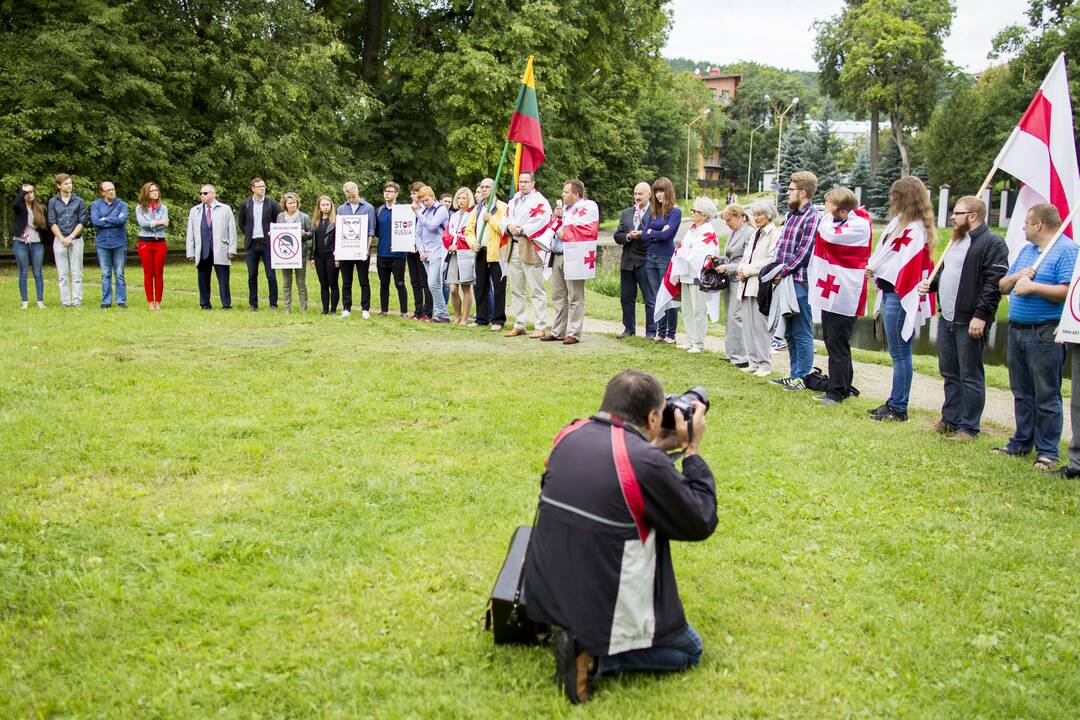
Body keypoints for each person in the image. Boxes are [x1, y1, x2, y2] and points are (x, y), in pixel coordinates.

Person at [523, 369, 716, 705]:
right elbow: (700, 519)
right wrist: (692, 451)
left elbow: (619, 468)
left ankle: (565, 631)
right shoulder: (645, 461)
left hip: (544, 592)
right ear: (654, 417)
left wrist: (655, 448)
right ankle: (596, 658)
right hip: (603, 604)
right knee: (689, 650)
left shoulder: (570, 432)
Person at [917, 196, 1009, 439]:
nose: (952, 217)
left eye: (957, 213)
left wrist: (981, 315)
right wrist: (932, 284)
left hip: (970, 320)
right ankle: (950, 418)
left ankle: (969, 427)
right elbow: (949, 272)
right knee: (950, 372)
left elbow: (993, 285)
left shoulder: (992, 243)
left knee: (970, 375)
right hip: (947, 317)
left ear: (973, 216)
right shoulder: (956, 241)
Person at [996, 204, 1076, 471]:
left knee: (1046, 394)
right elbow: (1003, 285)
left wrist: (1034, 287)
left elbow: (1068, 291)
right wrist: (1018, 276)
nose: (1023, 227)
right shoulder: (1027, 251)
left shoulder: (1066, 250)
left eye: (1027, 223)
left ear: (1039, 224)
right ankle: (1021, 441)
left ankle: (1048, 451)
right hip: (1017, 331)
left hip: (1044, 333)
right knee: (1021, 391)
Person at [865, 176, 937, 422]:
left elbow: (906, 265)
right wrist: (874, 267)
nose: (891, 199)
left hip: (899, 295)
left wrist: (878, 269)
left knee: (900, 353)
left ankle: (899, 407)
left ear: (904, 198)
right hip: (889, 293)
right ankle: (894, 401)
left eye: (895, 195)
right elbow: (888, 254)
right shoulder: (899, 223)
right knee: (897, 352)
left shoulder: (914, 229)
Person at [807, 187, 873, 405]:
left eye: (830, 206)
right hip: (834, 291)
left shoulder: (859, 225)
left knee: (838, 344)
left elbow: (831, 236)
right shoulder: (844, 221)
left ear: (843, 211)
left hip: (846, 293)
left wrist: (824, 217)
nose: (825, 210)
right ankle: (844, 387)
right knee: (834, 341)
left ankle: (836, 392)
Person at [770, 171, 821, 389]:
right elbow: (782, 247)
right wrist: (774, 270)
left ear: (802, 192)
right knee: (789, 331)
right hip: (784, 281)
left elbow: (804, 251)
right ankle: (793, 374)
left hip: (800, 281)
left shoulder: (812, 217)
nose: (787, 193)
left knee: (802, 331)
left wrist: (784, 271)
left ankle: (803, 377)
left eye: (790, 190)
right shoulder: (791, 215)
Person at [545, 179, 598, 345]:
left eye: (566, 192)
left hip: (575, 256)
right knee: (558, 295)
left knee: (575, 296)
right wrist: (556, 217)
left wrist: (565, 232)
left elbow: (587, 229)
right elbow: (552, 227)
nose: (562, 194)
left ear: (576, 194)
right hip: (558, 255)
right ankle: (558, 330)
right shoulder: (564, 210)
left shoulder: (588, 207)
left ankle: (574, 333)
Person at [500, 171, 551, 337]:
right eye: (520, 182)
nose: (522, 184)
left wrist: (522, 228)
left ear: (533, 183)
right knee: (516, 288)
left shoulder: (540, 201)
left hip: (530, 245)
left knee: (536, 288)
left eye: (526, 182)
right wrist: (509, 227)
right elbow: (505, 218)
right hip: (513, 245)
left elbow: (542, 220)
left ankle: (540, 325)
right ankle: (519, 323)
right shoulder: (514, 200)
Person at [735, 201, 781, 376]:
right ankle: (753, 360)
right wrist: (740, 269)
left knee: (760, 326)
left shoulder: (774, 234)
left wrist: (746, 270)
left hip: (760, 286)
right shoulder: (755, 234)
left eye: (760, 214)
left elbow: (770, 260)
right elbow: (747, 257)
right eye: (754, 214)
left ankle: (765, 364)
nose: (756, 217)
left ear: (769, 215)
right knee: (748, 325)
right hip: (746, 284)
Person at [673, 197, 721, 353]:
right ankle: (690, 339)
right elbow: (682, 247)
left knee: (698, 310)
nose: (692, 213)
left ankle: (698, 343)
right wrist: (682, 253)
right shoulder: (692, 230)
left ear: (705, 215)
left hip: (698, 276)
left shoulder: (708, 231)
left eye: (695, 211)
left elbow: (701, 253)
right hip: (685, 273)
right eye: (693, 210)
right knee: (687, 310)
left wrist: (686, 254)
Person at [642, 176, 682, 344]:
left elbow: (668, 235)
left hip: (666, 258)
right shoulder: (653, 212)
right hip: (650, 257)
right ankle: (660, 331)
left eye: (661, 191)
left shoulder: (675, 212)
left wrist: (653, 232)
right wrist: (654, 232)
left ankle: (671, 334)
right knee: (656, 296)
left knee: (668, 296)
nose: (658, 195)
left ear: (668, 191)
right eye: (656, 192)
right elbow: (644, 234)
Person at [465, 177, 508, 331]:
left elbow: (504, 229)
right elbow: (468, 230)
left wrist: (490, 219)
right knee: (480, 286)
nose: (483, 189)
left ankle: (498, 319)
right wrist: (472, 243)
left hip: (497, 252)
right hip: (481, 251)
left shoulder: (502, 207)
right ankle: (481, 318)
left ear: (494, 189)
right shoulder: (477, 209)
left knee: (498, 287)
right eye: (482, 187)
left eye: (487, 187)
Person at [184, 184, 237, 309]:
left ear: (213, 194)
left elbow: (232, 231)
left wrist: (232, 249)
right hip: (202, 249)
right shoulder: (195, 210)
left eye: (205, 193)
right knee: (203, 279)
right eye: (201, 193)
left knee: (223, 280)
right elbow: (190, 232)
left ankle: (226, 304)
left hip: (220, 248)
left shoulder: (225, 209)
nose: (202, 195)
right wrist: (190, 252)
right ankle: (205, 304)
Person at [613, 182, 653, 339]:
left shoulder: (655, 213)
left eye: (640, 194)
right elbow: (617, 236)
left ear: (649, 194)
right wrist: (628, 236)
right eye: (635, 194)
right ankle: (629, 329)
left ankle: (651, 332)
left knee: (649, 298)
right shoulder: (626, 213)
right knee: (626, 297)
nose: (637, 197)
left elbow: (656, 235)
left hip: (645, 260)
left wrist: (642, 233)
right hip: (628, 261)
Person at [236, 177, 282, 311]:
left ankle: (273, 304)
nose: (262, 188)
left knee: (271, 275)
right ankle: (253, 304)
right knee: (252, 275)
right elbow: (242, 223)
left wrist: (273, 232)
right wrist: (249, 234)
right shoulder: (245, 204)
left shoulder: (272, 204)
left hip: (267, 244)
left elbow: (279, 221)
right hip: (251, 244)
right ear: (253, 188)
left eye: (264, 186)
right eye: (259, 186)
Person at [337, 181, 377, 319]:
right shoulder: (341, 209)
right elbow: (340, 231)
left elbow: (371, 231)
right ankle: (346, 308)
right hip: (346, 250)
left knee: (363, 281)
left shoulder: (368, 208)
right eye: (348, 197)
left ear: (357, 192)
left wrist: (366, 249)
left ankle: (365, 309)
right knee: (346, 281)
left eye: (353, 196)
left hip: (362, 251)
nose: (351, 199)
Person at [718, 203, 751, 366]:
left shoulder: (748, 233)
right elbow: (730, 256)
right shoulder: (733, 232)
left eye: (729, 220)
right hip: (729, 279)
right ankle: (730, 352)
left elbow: (747, 261)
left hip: (739, 279)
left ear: (738, 217)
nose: (727, 224)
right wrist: (719, 260)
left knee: (736, 316)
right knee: (729, 317)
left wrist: (727, 267)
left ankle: (740, 357)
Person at [47, 173, 87, 307]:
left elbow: (82, 221)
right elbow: (52, 222)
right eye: (66, 183)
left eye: (70, 183)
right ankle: (65, 301)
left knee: (77, 272)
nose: (69, 185)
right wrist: (61, 238)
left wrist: (71, 237)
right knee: (62, 273)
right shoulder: (53, 202)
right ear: (59, 185)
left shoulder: (79, 201)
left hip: (76, 239)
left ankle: (76, 301)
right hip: (59, 240)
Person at [413, 184, 451, 323]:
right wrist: (421, 250)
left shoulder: (441, 210)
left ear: (432, 197)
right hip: (425, 252)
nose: (425, 203)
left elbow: (432, 225)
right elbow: (418, 233)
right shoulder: (423, 210)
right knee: (434, 284)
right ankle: (439, 314)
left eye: (426, 200)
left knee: (432, 284)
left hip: (438, 250)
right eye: (422, 201)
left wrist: (417, 213)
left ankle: (443, 314)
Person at [90, 179, 129, 309]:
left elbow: (122, 220)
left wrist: (105, 219)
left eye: (113, 189)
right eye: (108, 190)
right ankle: (106, 301)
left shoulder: (122, 204)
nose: (111, 192)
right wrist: (114, 220)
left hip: (118, 242)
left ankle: (121, 300)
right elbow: (95, 222)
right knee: (105, 273)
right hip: (102, 243)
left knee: (119, 273)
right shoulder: (96, 205)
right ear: (102, 192)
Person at [374, 182, 409, 317]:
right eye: (385, 191)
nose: (387, 193)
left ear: (396, 194)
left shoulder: (403, 210)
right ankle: (384, 311)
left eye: (390, 191)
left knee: (400, 283)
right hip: (382, 253)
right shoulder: (379, 211)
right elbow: (376, 231)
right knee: (384, 283)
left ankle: (404, 312)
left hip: (399, 254)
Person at [11, 183, 49, 309]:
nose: (30, 194)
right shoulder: (19, 207)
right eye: (27, 192)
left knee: (37, 272)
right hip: (20, 242)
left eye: (32, 192)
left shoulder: (40, 208)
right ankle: (25, 301)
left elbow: (45, 228)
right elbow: (14, 203)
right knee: (23, 271)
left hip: (37, 243)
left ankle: (40, 301)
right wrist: (23, 192)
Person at [276, 192, 312, 313]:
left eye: (294, 202)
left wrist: (305, 234)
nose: (292, 205)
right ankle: (287, 309)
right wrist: (273, 234)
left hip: (300, 254)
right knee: (286, 283)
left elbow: (311, 234)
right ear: (285, 204)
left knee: (301, 283)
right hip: (284, 256)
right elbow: (278, 233)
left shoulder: (304, 217)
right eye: (290, 203)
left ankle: (304, 309)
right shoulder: (280, 217)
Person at [135, 181, 169, 310]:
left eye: (156, 190)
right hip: (145, 242)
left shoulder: (163, 208)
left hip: (160, 241)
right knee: (148, 273)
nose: (155, 192)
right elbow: (142, 223)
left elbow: (166, 223)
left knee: (158, 273)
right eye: (152, 190)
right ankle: (150, 301)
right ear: (146, 193)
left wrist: (152, 223)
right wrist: (159, 222)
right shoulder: (140, 208)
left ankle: (158, 302)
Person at [445, 186, 476, 324]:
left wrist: (458, 245)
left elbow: (471, 235)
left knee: (465, 287)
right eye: (459, 197)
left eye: (464, 198)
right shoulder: (454, 216)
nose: (461, 200)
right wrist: (450, 245)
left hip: (466, 254)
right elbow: (447, 234)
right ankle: (456, 316)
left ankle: (464, 318)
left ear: (469, 199)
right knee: (452, 288)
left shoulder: (473, 214)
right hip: (453, 255)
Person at [310, 195, 339, 315]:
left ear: (331, 206)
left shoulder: (336, 221)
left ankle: (333, 309)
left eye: (328, 205)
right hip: (318, 257)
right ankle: (325, 309)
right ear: (319, 207)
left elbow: (339, 240)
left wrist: (338, 256)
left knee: (333, 283)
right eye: (323, 205)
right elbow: (314, 242)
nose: (325, 207)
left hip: (331, 256)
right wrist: (312, 257)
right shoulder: (316, 222)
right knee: (323, 284)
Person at [406, 181, 430, 319]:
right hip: (410, 250)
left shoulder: (427, 209)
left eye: (414, 193)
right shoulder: (408, 209)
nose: (412, 196)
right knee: (414, 282)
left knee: (425, 282)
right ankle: (418, 311)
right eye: (411, 193)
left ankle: (427, 312)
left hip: (424, 250)